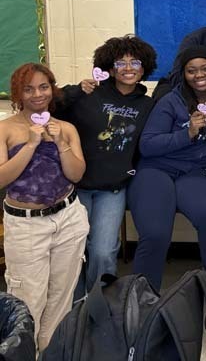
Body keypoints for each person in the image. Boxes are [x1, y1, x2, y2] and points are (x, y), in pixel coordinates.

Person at [127, 46, 206, 294]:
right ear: (184, 74)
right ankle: (142, 300)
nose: (200, 75)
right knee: (155, 234)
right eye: (192, 71)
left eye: (205, 68)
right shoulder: (171, 101)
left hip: (195, 171)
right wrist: (186, 134)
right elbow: (147, 145)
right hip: (157, 169)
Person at [56, 35, 158, 299]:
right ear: (110, 68)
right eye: (120, 63)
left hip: (112, 189)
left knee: (103, 251)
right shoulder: (89, 94)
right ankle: (74, 306)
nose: (128, 68)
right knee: (74, 249)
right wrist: (75, 90)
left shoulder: (148, 106)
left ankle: (99, 303)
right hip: (75, 187)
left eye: (135, 62)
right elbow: (49, 106)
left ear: (144, 67)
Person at [0, 63, 89, 352]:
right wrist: (31, 144)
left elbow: (76, 174)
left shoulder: (65, 128)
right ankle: (25, 354)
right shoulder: (6, 129)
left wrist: (61, 142)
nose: (37, 94)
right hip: (26, 225)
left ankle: (49, 352)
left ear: (52, 89)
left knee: (61, 297)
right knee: (27, 301)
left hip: (67, 217)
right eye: (29, 89)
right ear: (18, 93)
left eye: (43, 87)